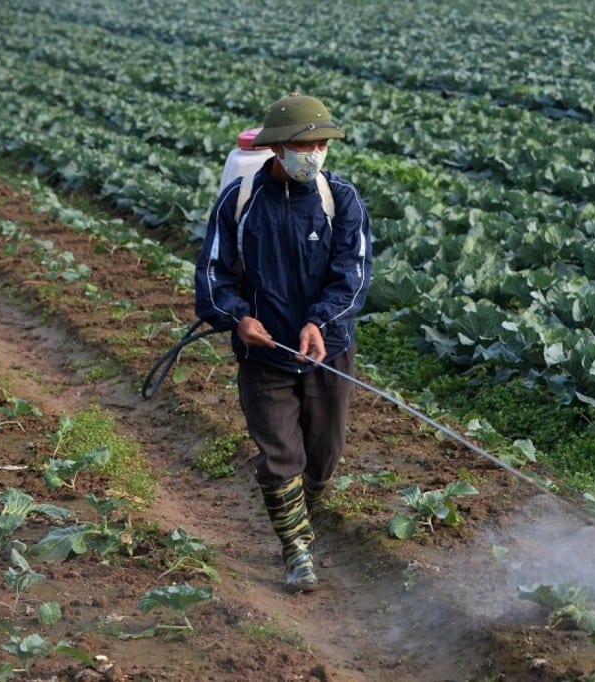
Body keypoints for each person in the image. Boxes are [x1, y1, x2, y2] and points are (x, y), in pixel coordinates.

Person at [194, 93, 373, 593]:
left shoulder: (341, 200)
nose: (313, 154)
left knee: (324, 454)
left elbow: (354, 275)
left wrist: (319, 322)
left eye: (321, 145)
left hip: (326, 350)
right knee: (279, 456)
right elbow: (213, 273)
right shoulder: (240, 201)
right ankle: (297, 551)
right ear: (276, 148)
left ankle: (301, 518)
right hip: (264, 353)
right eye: (303, 145)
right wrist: (238, 318)